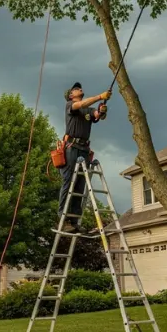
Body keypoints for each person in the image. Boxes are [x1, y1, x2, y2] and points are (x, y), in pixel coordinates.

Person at [58, 82, 111, 234]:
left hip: (84, 149)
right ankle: (63, 218)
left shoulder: (88, 108)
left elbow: (97, 116)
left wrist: (102, 110)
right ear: (70, 95)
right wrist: (100, 96)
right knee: (68, 182)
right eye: (76, 89)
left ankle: (74, 221)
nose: (79, 89)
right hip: (72, 147)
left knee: (80, 184)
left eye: (79, 88)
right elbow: (82, 104)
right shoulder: (70, 105)